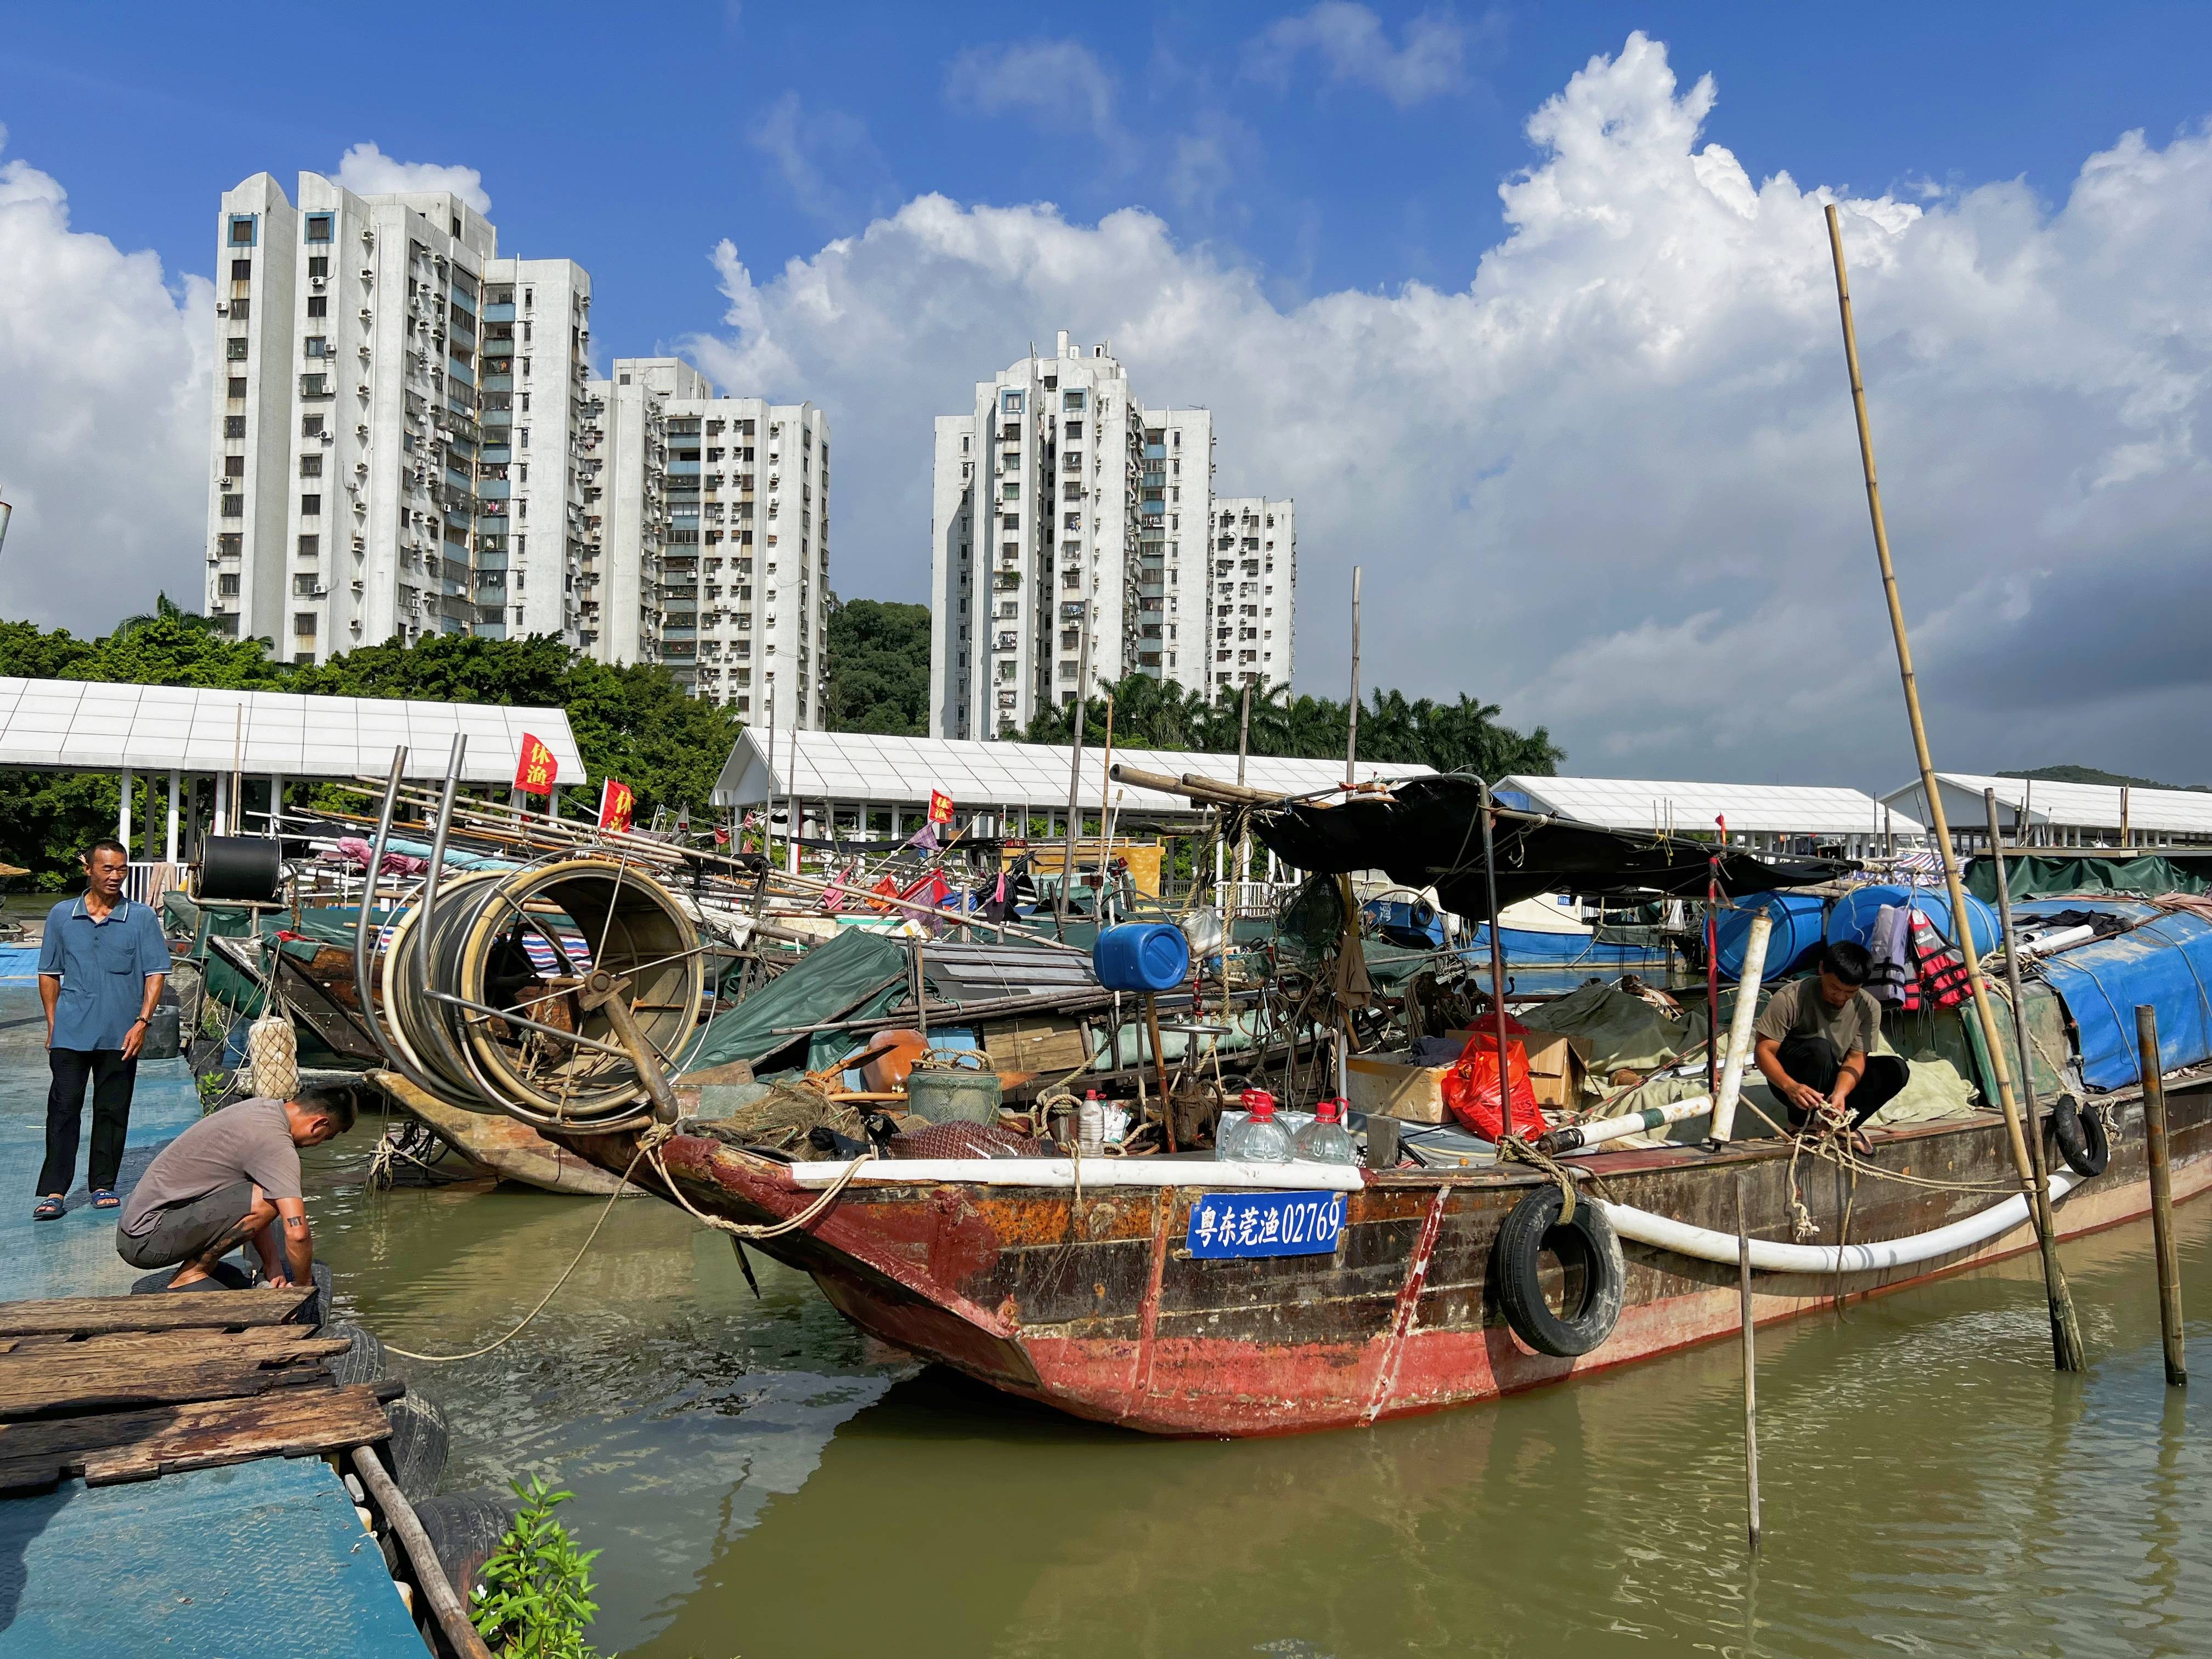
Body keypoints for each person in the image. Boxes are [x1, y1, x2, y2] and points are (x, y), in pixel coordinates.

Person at [34, 838, 170, 1220]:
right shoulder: (62, 915)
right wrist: (52, 1023)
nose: (115, 876)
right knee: (62, 1110)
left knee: (112, 1110)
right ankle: (55, 1190)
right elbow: (49, 973)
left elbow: (155, 973)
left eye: (121, 869)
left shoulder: (140, 917)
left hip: (121, 1034)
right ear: (89, 869)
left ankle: (103, 1184)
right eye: (107, 868)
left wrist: (142, 1022)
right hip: (71, 1032)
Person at [115, 1087, 358, 1289]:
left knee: (261, 1196)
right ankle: (190, 1276)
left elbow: (247, 1208)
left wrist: (272, 1266)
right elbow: (298, 1233)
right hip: (146, 1240)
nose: (318, 1144)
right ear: (319, 1124)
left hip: (137, 1227)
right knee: (266, 1201)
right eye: (327, 1138)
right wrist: (305, 1287)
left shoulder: (261, 1108)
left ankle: (198, 1270)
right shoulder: (277, 1145)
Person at [1752, 940, 1909, 1152]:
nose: (1841, 997)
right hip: (1790, 1080)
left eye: (1850, 992)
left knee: (1896, 1069)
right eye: (1835, 988)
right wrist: (1790, 1086)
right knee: (1820, 1049)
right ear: (1822, 969)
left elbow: (1856, 1058)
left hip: (1831, 1074)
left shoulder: (1869, 1007)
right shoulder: (1791, 997)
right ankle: (1800, 1126)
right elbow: (1764, 1052)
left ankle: (1838, 1127)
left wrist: (1840, 1094)